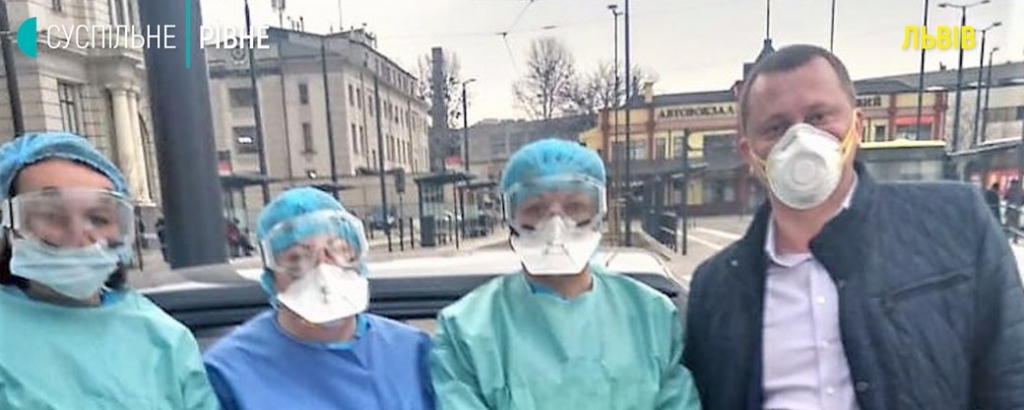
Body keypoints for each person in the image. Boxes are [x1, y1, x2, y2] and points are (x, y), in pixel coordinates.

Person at [683, 44, 1024, 409]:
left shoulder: (956, 224)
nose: (799, 139)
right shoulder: (716, 288)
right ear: (749, 154)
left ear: (857, 127)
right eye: (776, 128)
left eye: (818, 117)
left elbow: (1012, 378)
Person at [430, 138, 701, 410]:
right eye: (536, 209)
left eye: (575, 207)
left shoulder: (652, 317)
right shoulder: (466, 330)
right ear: (511, 218)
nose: (555, 226)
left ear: (600, 212)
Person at [0, 132, 220, 409]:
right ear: (9, 226)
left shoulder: (165, 339)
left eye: (99, 218)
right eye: (52, 215)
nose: (79, 236)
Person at [204, 187, 434, 410]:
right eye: (297, 258)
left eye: (339, 251)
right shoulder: (229, 373)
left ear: (358, 260)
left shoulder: (412, 352)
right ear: (271, 277)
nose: (323, 270)